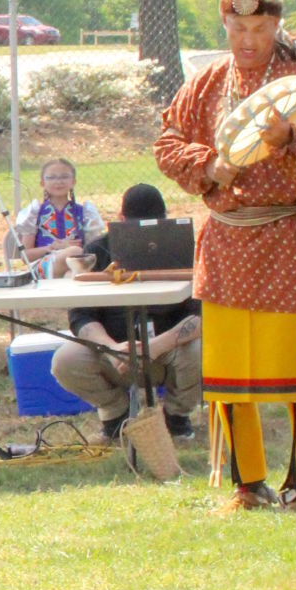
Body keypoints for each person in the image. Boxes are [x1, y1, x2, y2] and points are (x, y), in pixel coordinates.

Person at [155, 0, 296, 511]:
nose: (247, 39)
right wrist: (208, 165)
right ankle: (248, 483)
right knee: (229, 374)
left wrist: (289, 137)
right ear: (225, 28)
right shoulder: (208, 82)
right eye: (238, 29)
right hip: (225, 243)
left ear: (277, 27)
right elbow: (167, 142)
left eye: (259, 29)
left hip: (287, 238)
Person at [52, 184, 202, 441]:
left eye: (153, 223)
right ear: (120, 221)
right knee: (65, 361)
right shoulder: (99, 250)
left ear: (165, 220)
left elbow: (203, 315)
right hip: (115, 353)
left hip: (169, 352)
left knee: (204, 350)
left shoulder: (186, 250)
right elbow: (81, 316)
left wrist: (155, 346)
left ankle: (177, 418)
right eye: (135, 225)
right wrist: (111, 349)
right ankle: (116, 415)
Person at [13, 157, 106, 272]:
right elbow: (25, 256)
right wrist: (53, 248)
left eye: (64, 176)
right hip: (43, 266)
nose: (58, 182)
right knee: (74, 252)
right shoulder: (34, 213)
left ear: (73, 182)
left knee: (74, 263)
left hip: (76, 266)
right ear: (42, 183)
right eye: (51, 177)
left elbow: (93, 251)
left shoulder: (85, 213)